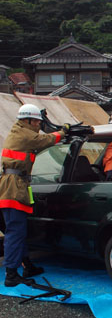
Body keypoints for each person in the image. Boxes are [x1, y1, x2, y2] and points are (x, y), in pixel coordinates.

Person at [0, 104, 68, 287]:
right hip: (13, 188)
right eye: (37, 120)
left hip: (15, 186)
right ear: (27, 120)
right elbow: (45, 140)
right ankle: (11, 275)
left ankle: (27, 265)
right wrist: (63, 132)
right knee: (15, 232)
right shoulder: (25, 135)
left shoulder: (20, 131)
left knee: (18, 231)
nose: (39, 123)